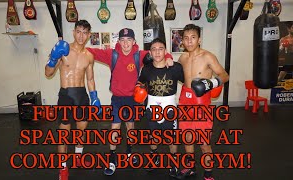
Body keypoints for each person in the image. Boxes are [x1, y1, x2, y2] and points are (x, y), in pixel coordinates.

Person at [86, 28, 173, 175]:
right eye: (123, 40)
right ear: (118, 41)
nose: (126, 43)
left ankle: (129, 152)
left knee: (130, 127)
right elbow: (91, 52)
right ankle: (112, 158)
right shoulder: (112, 54)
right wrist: (72, 49)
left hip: (132, 99)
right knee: (115, 127)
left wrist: (169, 57)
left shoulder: (139, 55)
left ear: (134, 41)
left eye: (129, 40)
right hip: (117, 99)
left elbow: (158, 52)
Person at [45, 20, 101, 180]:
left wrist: (95, 97)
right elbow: (48, 73)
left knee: (80, 131)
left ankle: (77, 156)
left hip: (82, 96)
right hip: (65, 96)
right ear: (74, 32)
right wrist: (53, 58)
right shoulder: (63, 50)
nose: (81, 35)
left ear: (89, 35)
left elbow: (90, 79)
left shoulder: (89, 56)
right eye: (78, 31)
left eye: (85, 32)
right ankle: (63, 168)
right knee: (63, 134)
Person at [177, 24, 229, 180]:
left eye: (193, 37)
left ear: (199, 39)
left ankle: (208, 173)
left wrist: (211, 83)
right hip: (185, 99)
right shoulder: (182, 58)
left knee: (203, 141)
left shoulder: (208, 56)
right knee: (187, 136)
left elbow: (224, 75)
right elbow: (180, 76)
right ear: (182, 41)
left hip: (201, 102)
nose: (189, 41)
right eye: (186, 38)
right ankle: (191, 166)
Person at [136, 38, 184, 178]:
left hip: (170, 108)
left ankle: (173, 162)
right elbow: (140, 82)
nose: (157, 52)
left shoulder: (175, 68)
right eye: (154, 49)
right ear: (150, 52)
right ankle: (154, 157)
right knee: (153, 136)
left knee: (172, 138)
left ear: (165, 51)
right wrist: (139, 90)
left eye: (160, 48)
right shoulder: (146, 69)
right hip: (152, 107)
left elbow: (187, 82)